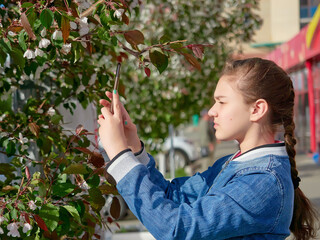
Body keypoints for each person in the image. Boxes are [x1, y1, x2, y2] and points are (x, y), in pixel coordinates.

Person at [97, 58, 319, 240]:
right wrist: (133, 147)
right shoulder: (234, 164)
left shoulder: (263, 181)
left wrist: (119, 155)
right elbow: (174, 197)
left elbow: (176, 229)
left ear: (257, 109)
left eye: (221, 102)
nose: (212, 111)